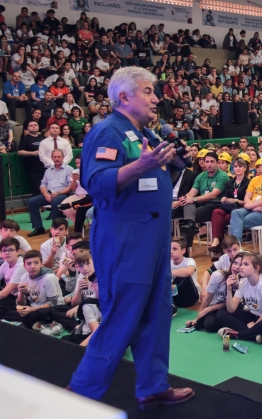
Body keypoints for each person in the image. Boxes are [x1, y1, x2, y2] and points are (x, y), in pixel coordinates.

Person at [68, 67, 194, 407]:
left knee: (156, 311)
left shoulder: (146, 134)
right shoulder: (107, 131)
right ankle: (80, 393)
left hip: (153, 238)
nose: (157, 99)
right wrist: (141, 165)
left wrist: (178, 162)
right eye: (149, 92)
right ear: (124, 97)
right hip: (126, 237)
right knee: (124, 314)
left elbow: (154, 173)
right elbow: (96, 183)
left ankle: (153, 386)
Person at [219, 252, 262, 343]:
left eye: (246, 264)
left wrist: (254, 325)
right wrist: (229, 289)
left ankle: (238, 334)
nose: (241, 267)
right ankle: (255, 334)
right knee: (221, 314)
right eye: (242, 264)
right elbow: (231, 309)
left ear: (257, 268)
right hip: (255, 315)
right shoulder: (243, 282)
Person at [0, 250, 65, 330]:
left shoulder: (49, 278)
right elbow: (21, 304)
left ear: (41, 264)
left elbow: (53, 303)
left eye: (36, 263)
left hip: (51, 308)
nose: (32, 266)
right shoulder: (24, 277)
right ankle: (31, 322)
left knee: (39, 314)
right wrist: (21, 293)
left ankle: (29, 321)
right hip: (32, 306)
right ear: (24, 266)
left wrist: (32, 310)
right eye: (29, 264)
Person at [229, 158, 262, 241]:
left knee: (237, 222)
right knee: (235, 212)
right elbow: (247, 197)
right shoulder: (254, 179)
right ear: (260, 167)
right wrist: (253, 207)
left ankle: (236, 244)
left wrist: (250, 206)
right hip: (251, 208)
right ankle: (237, 245)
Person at [26, 149, 74, 237]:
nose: (57, 159)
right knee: (32, 201)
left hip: (64, 195)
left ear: (63, 157)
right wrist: (46, 194)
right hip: (49, 194)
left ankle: (55, 228)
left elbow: (70, 187)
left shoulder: (69, 169)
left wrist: (58, 193)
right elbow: (43, 185)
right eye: (55, 157)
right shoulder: (48, 171)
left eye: (59, 157)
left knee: (56, 202)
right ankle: (38, 227)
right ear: (52, 158)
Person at [171, 237, 199, 310]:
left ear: (183, 250)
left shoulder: (189, 261)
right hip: (175, 295)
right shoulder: (168, 263)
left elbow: (189, 271)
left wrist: (169, 273)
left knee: (184, 275)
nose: (171, 251)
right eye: (170, 248)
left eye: (175, 249)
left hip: (191, 296)